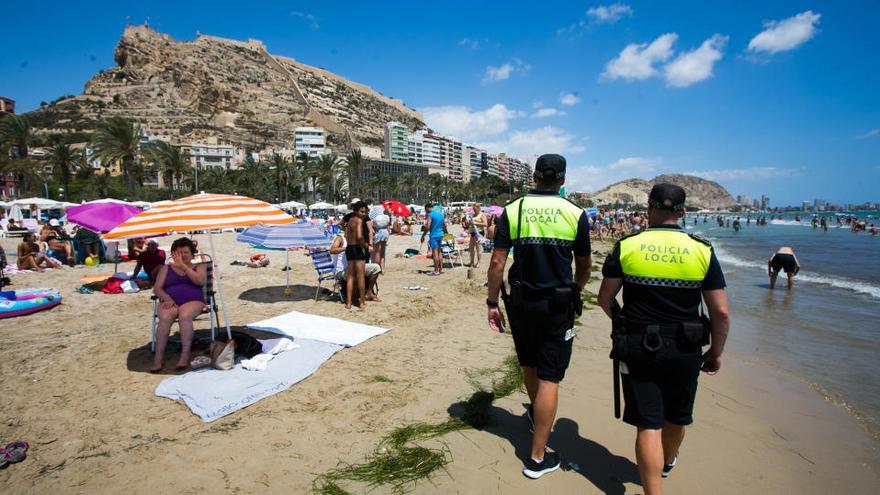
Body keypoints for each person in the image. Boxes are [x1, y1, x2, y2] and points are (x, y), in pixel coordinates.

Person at [597, 183, 730, 495]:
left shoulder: (628, 245)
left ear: (649, 208)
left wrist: (622, 322)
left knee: (649, 423)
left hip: (639, 345)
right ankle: (667, 460)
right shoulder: (702, 249)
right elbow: (720, 312)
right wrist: (716, 352)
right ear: (682, 213)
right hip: (685, 346)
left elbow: (605, 298)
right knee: (676, 416)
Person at [486, 154, 591, 479]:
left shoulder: (513, 209)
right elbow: (584, 266)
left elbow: (497, 263)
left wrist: (492, 302)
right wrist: (575, 288)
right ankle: (536, 456)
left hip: (520, 301)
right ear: (562, 179)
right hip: (556, 305)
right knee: (550, 375)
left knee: (529, 363)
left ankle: (535, 415)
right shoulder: (575, 213)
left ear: (534, 177)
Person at [151, 237, 206, 372]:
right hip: (170, 301)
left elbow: (200, 282)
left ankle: (185, 354)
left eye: (185, 252)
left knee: (184, 316)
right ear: (173, 254)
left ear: (192, 254)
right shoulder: (166, 268)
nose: (182, 255)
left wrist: (183, 267)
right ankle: (158, 358)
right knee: (164, 319)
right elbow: (157, 288)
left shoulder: (199, 266)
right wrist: (167, 299)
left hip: (193, 300)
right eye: (178, 252)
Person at [328, 232, 381, 302]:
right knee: (355, 271)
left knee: (376, 268)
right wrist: (346, 248)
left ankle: (369, 293)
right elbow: (332, 250)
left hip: (353, 267)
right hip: (340, 271)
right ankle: (354, 297)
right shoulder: (340, 238)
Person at [344, 201, 371, 309]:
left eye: (365, 212)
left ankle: (349, 302)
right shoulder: (359, 220)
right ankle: (362, 302)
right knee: (360, 276)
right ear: (355, 211)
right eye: (362, 211)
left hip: (349, 248)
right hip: (357, 248)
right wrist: (366, 245)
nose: (364, 214)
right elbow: (360, 236)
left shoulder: (350, 220)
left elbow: (346, 234)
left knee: (350, 276)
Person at [422, 203, 447, 276]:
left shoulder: (430, 215)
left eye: (426, 210)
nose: (426, 212)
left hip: (434, 235)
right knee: (439, 252)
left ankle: (436, 270)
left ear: (427, 208)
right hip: (441, 234)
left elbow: (428, 227)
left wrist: (423, 235)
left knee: (435, 253)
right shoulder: (441, 214)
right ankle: (440, 269)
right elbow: (444, 225)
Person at [466, 203, 487, 269]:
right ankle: (471, 262)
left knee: (478, 248)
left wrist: (476, 223)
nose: (474, 210)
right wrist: (468, 223)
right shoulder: (473, 215)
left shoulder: (482, 215)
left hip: (479, 233)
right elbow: (470, 223)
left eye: (475, 209)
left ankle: (478, 262)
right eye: (473, 209)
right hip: (472, 232)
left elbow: (485, 224)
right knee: (471, 248)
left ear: (478, 208)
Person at [372, 206, 391, 274]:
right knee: (382, 252)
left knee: (377, 252)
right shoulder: (386, 217)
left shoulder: (375, 218)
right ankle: (383, 269)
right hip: (385, 232)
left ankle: (377, 269)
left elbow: (372, 227)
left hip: (378, 233)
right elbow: (388, 226)